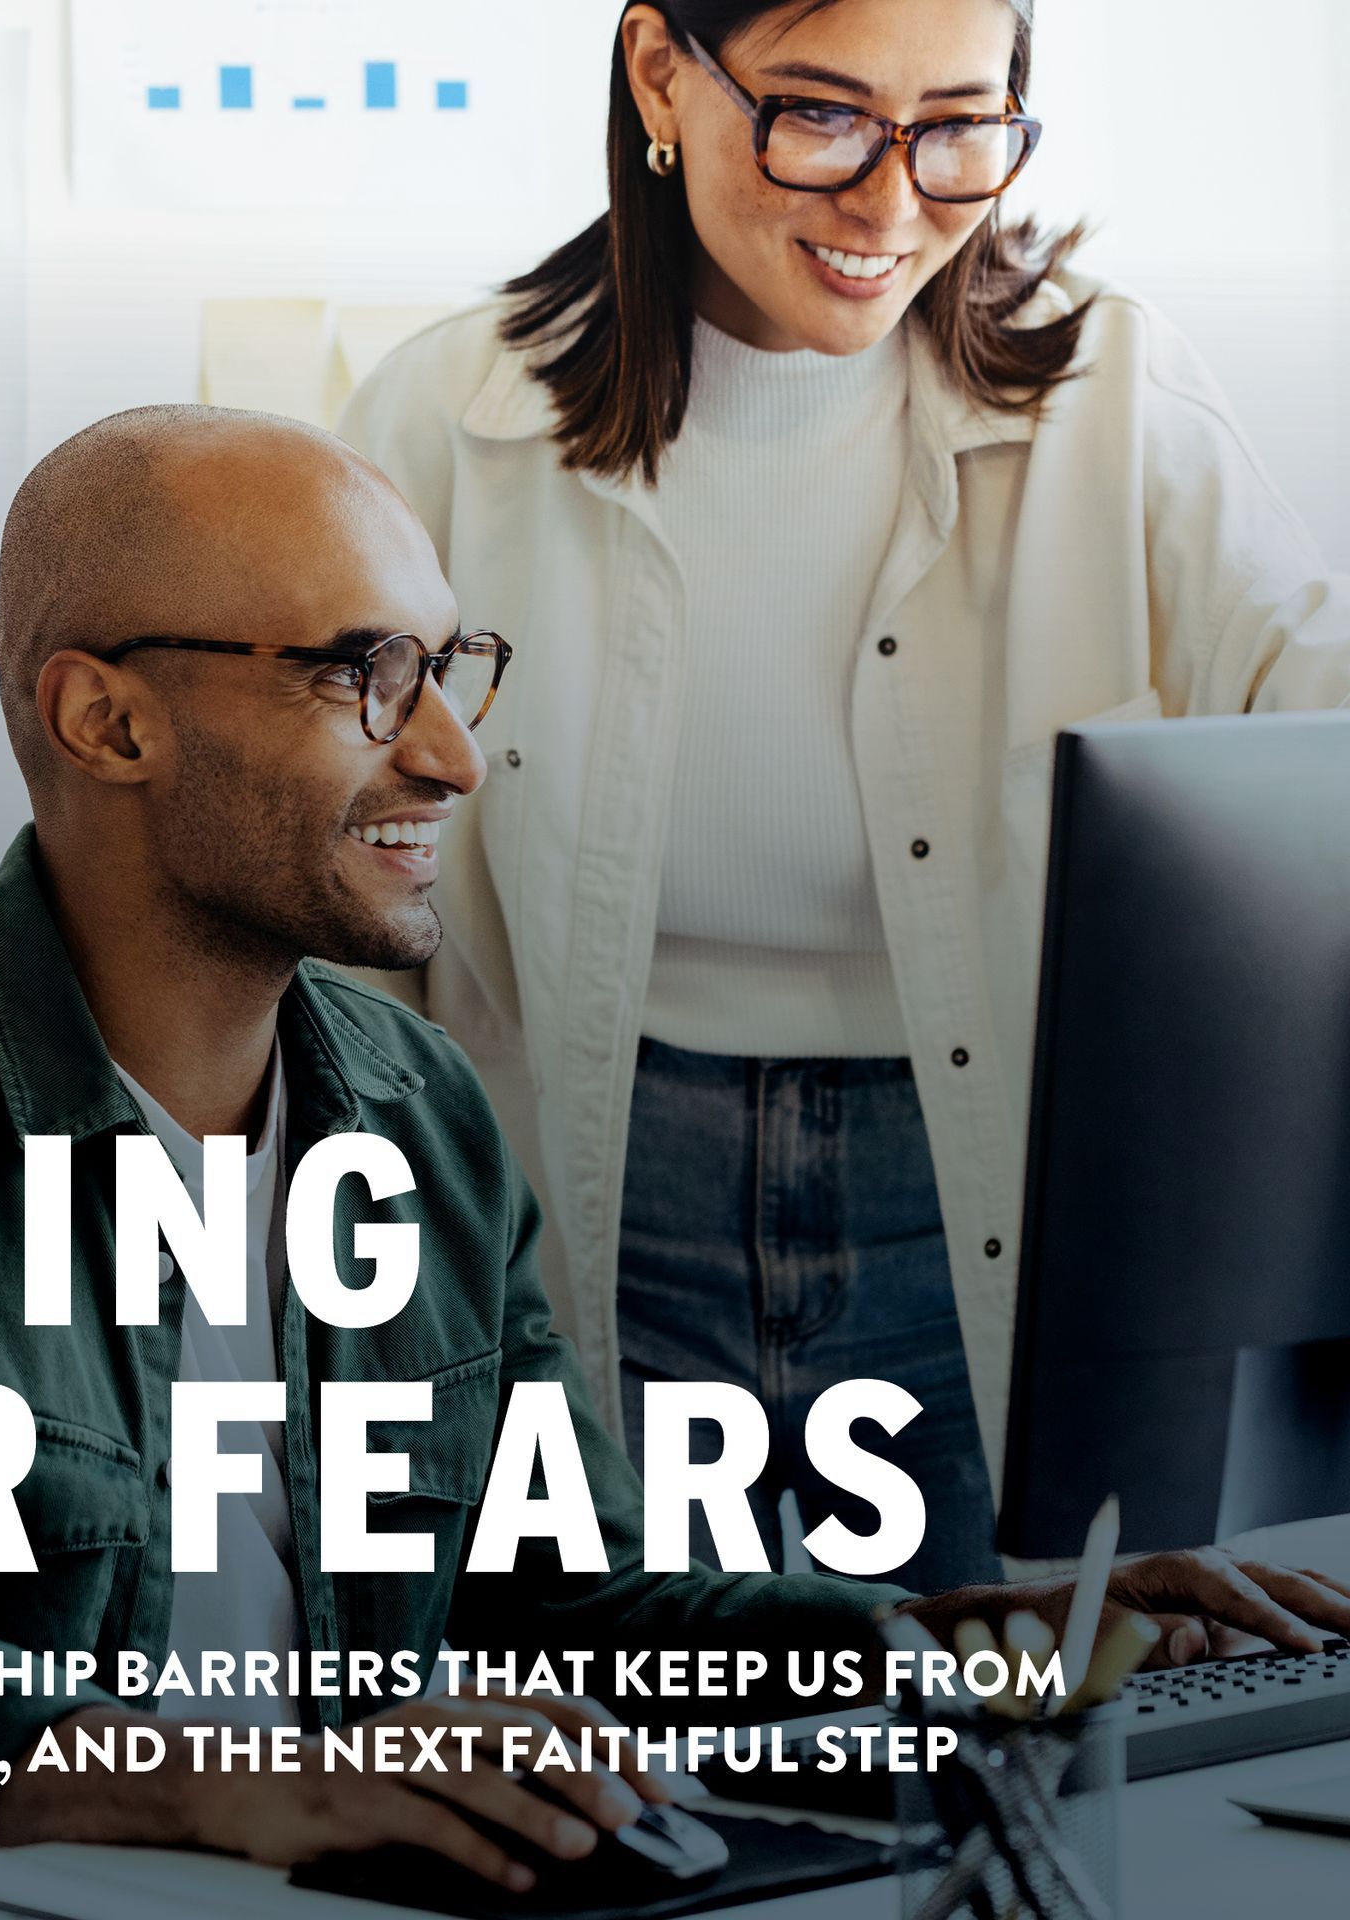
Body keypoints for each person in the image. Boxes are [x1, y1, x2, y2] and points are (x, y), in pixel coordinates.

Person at [0, 407, 1350, 1888]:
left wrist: (970, 1641)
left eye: (450, 667)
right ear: (108, 722)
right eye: (365, 674)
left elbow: (580, 1590)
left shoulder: (410, 1104)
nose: (449, 752)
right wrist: (250, 1767)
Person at [339, 0, 1350, 1591]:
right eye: (820, 115)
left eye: (958, 127)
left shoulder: (1123, 397)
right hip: (595, 1179)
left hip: (974, 1192)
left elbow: (1320, 770)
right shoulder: (441, 421)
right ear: (662, 71)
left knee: (996, 1728)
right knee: (648, 1735)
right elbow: (318, 878)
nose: (890, 207)